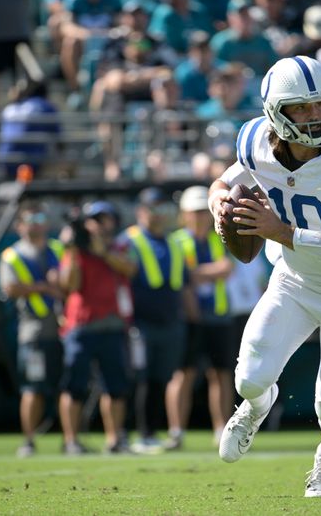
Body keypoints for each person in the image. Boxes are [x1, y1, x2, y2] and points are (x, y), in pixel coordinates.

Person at [208, 55, 321, 497]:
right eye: (301, 108)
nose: (316, 116)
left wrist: (279, 231)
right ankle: (257, 405)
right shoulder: (255, 142)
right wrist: (218, 205)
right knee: (248, 378)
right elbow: (223, 183)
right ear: (275, 114)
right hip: (292, 280)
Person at [58, 200, 136, 454]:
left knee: (115, 386)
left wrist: (102, 251)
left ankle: (114, 439)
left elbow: (130, 268)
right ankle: (71, 441)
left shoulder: (119, 246)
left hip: (112, 324)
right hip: (81, 324)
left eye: (106, 220)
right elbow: (69, 284)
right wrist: (73, 251)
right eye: (96, 220)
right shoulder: (76, 250)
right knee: (74, 386)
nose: (101, 226)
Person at [121, 187, 195, 452]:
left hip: (170, 322)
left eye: (164, 210)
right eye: (154, 209)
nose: (159, 215)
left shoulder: (174, 242)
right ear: (141, 212)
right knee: (137, 378)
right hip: (139, 323)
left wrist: (191, 318)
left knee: (159, 379)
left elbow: (184, 284)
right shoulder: (128, 240)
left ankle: (149, 433)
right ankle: (128, 434)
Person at [165, 185, 235, 450]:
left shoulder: (219, 238)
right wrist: (208, 271)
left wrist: (195, 273)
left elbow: (225, 269)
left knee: (221, 374)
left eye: (202, 212)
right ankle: (176, 432)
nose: (199, 217)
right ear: (184, 215)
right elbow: (186, 275)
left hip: (218, 316)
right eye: (193, 212)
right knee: (183, 374)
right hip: (188, 319)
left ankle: (221, 430)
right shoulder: (177, 241)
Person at [0, 202, 66, 457]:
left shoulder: (57, 249)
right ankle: (28, 440)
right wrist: (44, 287)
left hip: (62, 329)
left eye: (40, 217)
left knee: (66, 387)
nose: (37, 222)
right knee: (33, 388)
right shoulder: (12, 255)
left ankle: (69, 439)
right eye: (31, 218)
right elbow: (10, 288)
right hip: (33, 332)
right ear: (20, 225)